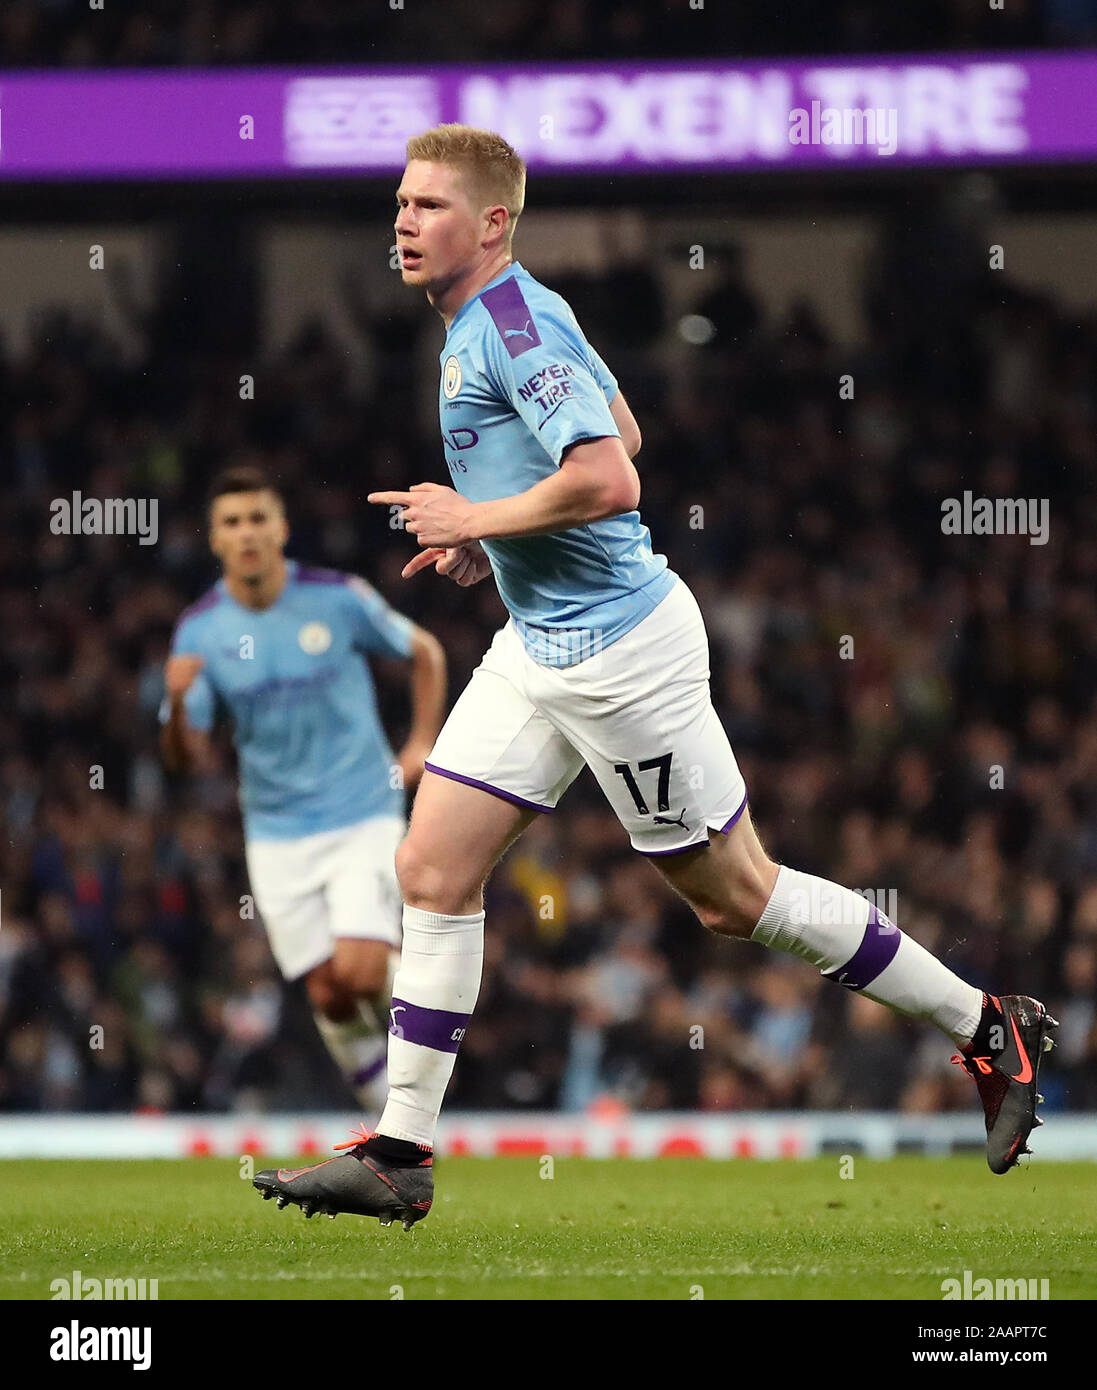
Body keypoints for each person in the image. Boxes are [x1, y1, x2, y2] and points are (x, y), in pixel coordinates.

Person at [254, 127, 1055, 1229]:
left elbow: (612, 473)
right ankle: (401, 1149)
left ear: (493, 224)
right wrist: (497, 548)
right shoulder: (498, 313)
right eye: (398, 201)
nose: (402, 220)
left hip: (620, 656)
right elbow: (616, 421)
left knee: (736, 898)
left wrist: (477, 514)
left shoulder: (508, 324)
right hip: (536, 641)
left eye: (429, 205)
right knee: (430, 869)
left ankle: (983, 1025)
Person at [162, 464, 446, 1115]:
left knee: (362, 969)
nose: (247, 533)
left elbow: (424, 651)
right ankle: (391, 1115)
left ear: (281, 527)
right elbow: (185, 757)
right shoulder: (200, 631)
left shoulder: (338, 598)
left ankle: (422, 1086)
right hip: (274, 832)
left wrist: (420, 743)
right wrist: (178, 705)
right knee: (328, 993)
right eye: (232, 523)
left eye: (258, 518)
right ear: (214, 539)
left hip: (362, 809)